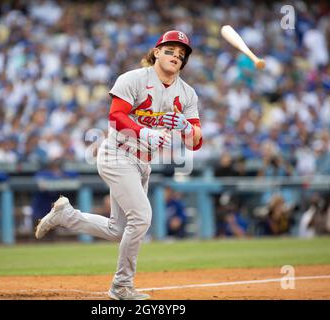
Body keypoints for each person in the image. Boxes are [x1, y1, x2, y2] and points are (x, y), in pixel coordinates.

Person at [35, 30, 202, 300]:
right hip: (117, 154)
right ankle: (121, 286)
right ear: (156, 52)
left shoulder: (187, 94)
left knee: (118, 230)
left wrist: (185, 127)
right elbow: (116, 116)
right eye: (169, 50)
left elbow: (195, 142)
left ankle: (65, 216)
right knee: (142, 217)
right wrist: (145, 132)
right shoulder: (134, 79)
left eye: (181, 55)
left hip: (142, 163)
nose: (175, 56)